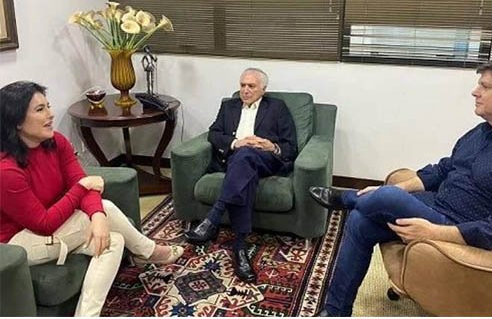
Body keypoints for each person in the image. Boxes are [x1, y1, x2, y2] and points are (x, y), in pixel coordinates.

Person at [309, 56, 492, 316]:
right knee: (361, 221)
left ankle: (346, 199)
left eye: (486, 86)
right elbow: (442, 170)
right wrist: (399, 190)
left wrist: (435, 232)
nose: (475, 92)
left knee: (387, 197)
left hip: (465, 228)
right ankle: (335, 312)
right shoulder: (482, 132)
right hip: (439, 207)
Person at [0, 81, 184, 317]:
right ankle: (148, 251)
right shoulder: (6, 171)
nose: (50, 114)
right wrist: (83, 189)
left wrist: (97, 215)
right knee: (105, 209)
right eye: (40, 109)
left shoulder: (56, 142)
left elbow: (81, 182)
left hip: (58, 224)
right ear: (16, 121)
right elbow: (44, 222)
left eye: (48, 106)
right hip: (17, 243)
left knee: (113, 241)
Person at [184, 67, 297, 282]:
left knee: (246, 156)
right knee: (245, 169)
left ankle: (213, 218)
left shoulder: (277, 108)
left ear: (263, 89)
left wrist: (271, 146)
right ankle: (239, 248)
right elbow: (213, 134)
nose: (245, 90)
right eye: (242, 85)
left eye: (251, 86)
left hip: (266, 160)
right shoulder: (229, 107)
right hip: (235, 161)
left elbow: (291, 146)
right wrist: (235, 143)